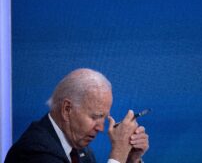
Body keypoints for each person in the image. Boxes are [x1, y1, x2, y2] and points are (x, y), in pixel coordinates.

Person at [5, 68, 149, 163]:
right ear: (67, 109)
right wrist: (118, 153)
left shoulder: (81, 151)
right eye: (95, 117)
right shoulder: (34, 152)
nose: (101, 128)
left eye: (104, 118)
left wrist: (130, 159)